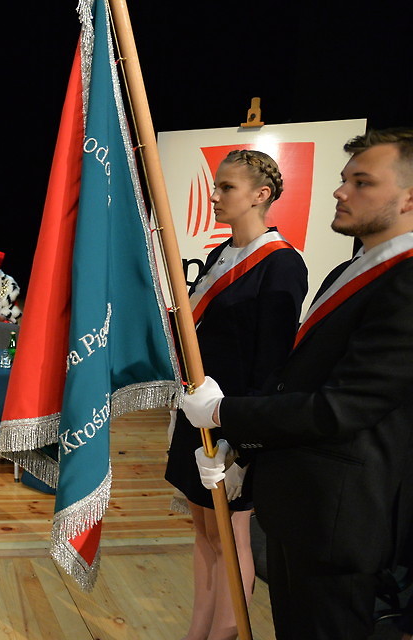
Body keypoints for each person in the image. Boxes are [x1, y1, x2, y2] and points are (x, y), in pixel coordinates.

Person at [182, 129, 413, 640]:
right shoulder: (351, 271)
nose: (340, 191)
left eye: (362, 182)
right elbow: (296, 378)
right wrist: (247, 447)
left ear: (409, 197)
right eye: (344, 179)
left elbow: (341, 407)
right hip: (298, 502)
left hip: (341, 514)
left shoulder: (405, 282)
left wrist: (226, 417)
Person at [163, 150, 308, 640]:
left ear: (260, 195)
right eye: (216, 185)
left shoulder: (281, 264)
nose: (214, 195)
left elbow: (272, 365)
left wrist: (242, 442)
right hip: (197, 414)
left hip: (234, 424)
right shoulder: (220, 255)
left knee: (232, 535)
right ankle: (198, 631)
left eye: (226, 187)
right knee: (205, 533)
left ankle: (225, 634)